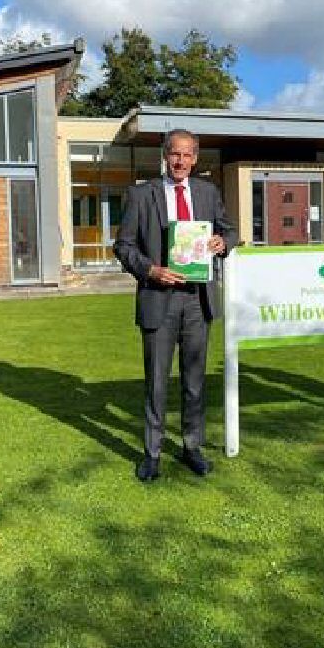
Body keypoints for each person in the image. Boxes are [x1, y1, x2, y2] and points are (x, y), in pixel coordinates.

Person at [114, 129, 237, 481]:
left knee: (195, 380)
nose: (180, 161)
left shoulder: (208, 192)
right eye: (174, 154)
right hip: (158, 298)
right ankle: (152, 453)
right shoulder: (141, 195)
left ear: (195, 159)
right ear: (165, 156)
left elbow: (230, 232)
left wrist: (221, 243)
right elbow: (123, 247)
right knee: (156, 381)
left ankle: (191, 447)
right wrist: (150, 270)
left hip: (198, 301)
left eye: (187, 155)